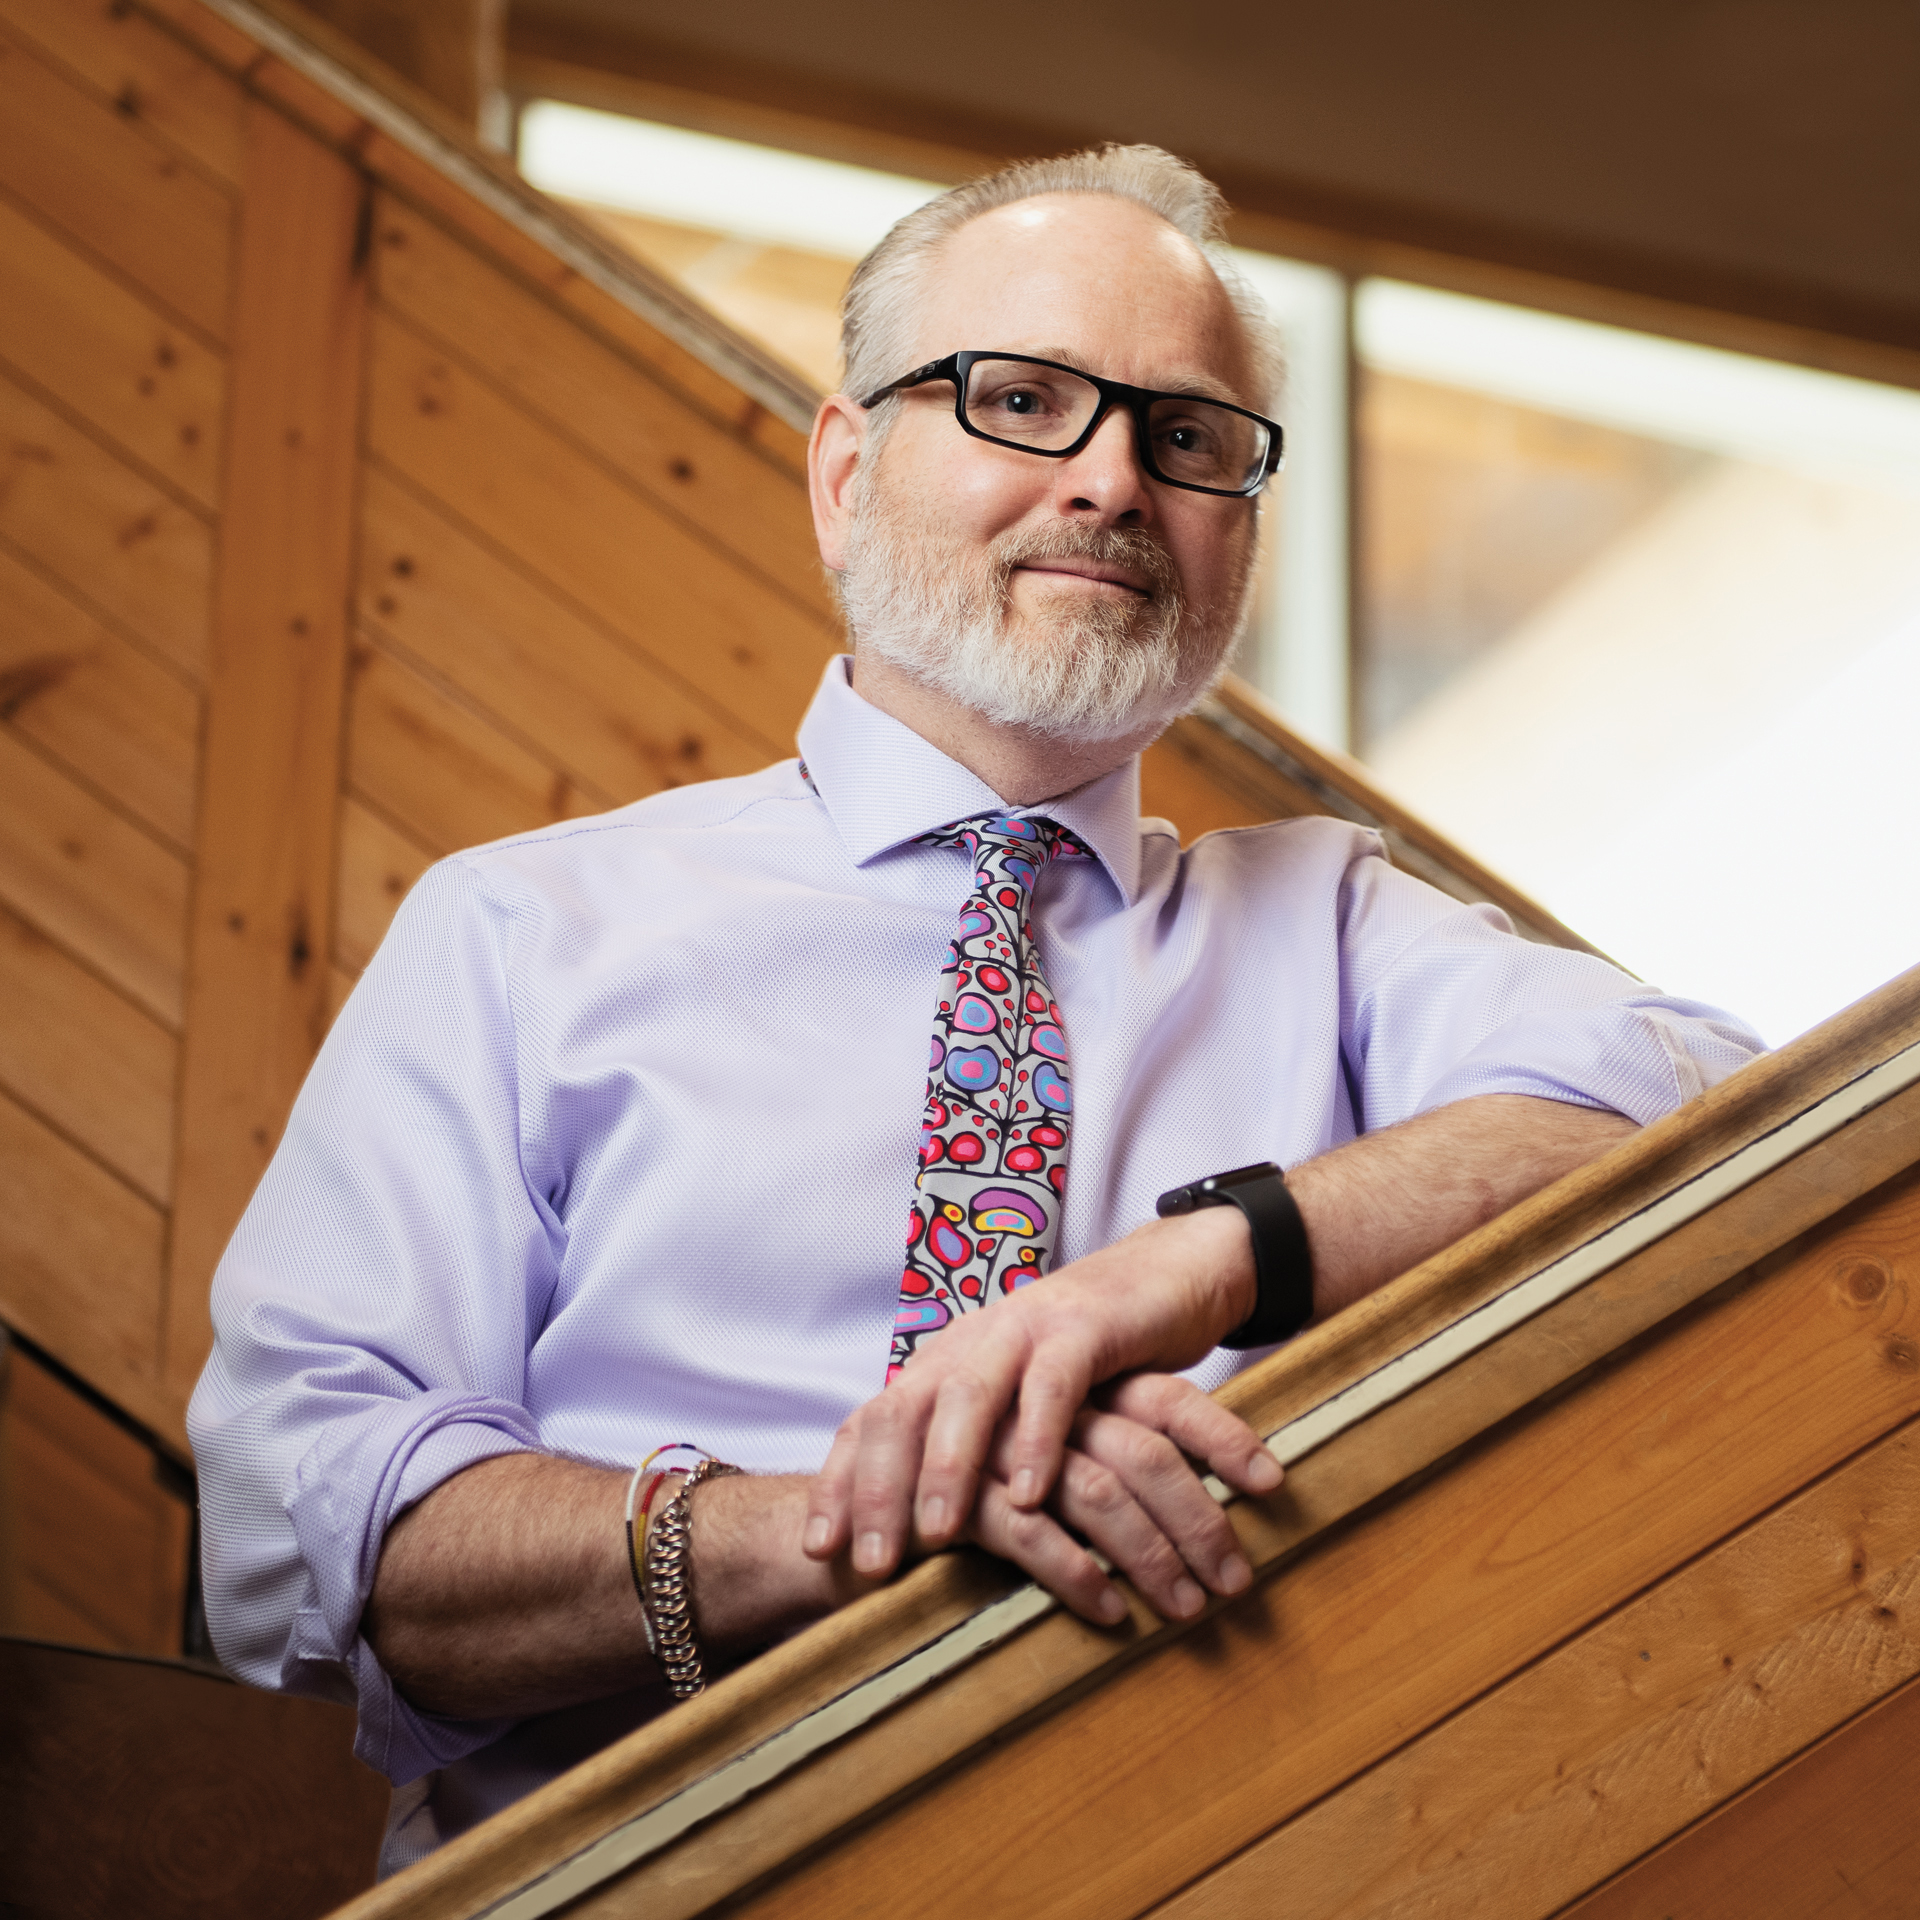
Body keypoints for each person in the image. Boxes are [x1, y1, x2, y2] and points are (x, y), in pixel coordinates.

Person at [188, 145, 1763, 1870]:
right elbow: (300, 1540)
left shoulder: (1330, 927)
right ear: (847, 469)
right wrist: (852, 1531)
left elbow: (1714, 1109)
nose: (1108, 481)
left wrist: (1198, 1262)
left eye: (1187, 436)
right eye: (1021, 398)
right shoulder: (522, 931)